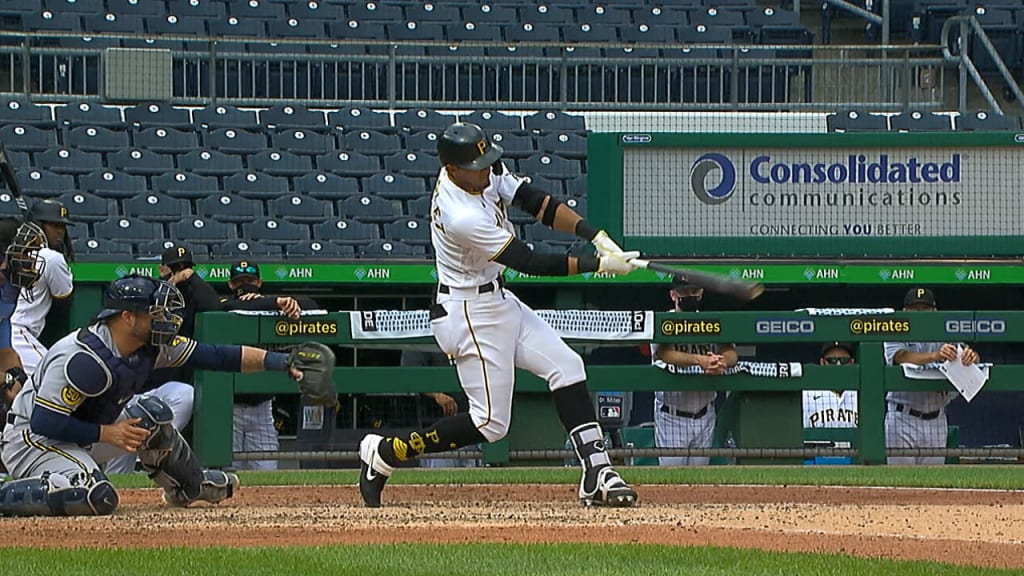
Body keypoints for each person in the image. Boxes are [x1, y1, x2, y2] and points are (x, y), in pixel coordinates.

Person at [358, 121, 640, 508]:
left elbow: (533, 200)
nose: (487, 171)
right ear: (452, 169)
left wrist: (594, 234)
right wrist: (599, 264)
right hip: (468, 311)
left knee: (568, 366)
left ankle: (598, 471)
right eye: (477, 166)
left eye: (488, 162)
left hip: (497, 299)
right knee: (490, 425)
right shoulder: (460, 214)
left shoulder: (481, 171)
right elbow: (528, 261)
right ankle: (387, 453)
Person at [0, 274, 312, 516]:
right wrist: (107, 433)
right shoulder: (83, 358)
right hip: (31, 442)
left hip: (81, 433)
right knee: (96, 496)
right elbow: (45, 422)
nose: (166, 320)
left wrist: (282, 362)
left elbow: (217, 356)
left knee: (151, 414)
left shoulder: (150, 346)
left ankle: (188, 485)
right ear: (127, 317)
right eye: (155, 313)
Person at [103, 243, 221, 474]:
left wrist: (191, 281)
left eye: (185, 267)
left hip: (159, 393)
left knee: (185, 394)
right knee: (117, 470)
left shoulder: (192, 295)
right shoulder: (149, 298)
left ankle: (151, 449)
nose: (180, 273)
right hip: (125, 398)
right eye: (175, 268)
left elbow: (214, 308)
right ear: (161, 269)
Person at [220, 260, 319, 471]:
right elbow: (231, 306)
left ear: (260, 282)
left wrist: (275, 302)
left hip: (262, 408)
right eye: (239, 281)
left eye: (250, 280)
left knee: (266, 472)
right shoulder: (224, 305)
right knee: (225, 473)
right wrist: (274, 302)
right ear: (230, 284)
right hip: (228, 408)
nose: (245, 285)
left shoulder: (272, 309)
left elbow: (312, 305)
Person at [884, 287, 979, 465]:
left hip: (936, 419)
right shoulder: (895, 329)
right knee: (900, 484)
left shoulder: (946, 331)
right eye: (915, 309)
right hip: (902, 417)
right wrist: (935, 356)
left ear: (934, 310)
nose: (920, 313)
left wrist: (971, 356)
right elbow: (899, 357)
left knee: (932, 483)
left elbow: (967, 355)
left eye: (924, 309)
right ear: (905, 311)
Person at [650, 276, 738, 466]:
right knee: (672, 480)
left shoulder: (710, 321)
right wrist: (699, 360)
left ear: (701, 293)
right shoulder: (663, 321)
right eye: (684, 292)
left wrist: (720, 361)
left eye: (694, 291)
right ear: (673, 295)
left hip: (705, 414)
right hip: (672, 416)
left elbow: (731, 352)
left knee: (698, 480)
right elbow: (664, 353)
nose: (690, 295)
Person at [11, 199, 75, 379]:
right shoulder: (52, 259)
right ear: (38, 225)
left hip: (11, 331)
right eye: (54, 225)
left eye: (62, 226)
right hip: (17, 331)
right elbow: (63, 303)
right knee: (53, 378)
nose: (60, 232)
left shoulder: (10, 250)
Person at [400, 348, 477, 468]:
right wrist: (436, 394)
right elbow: (411, 376)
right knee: (442, 476)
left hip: (470, 425)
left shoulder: (464, 338)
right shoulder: (421, 337)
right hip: (435, 431)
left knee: (474, 481)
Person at [803, 342, 859, 429]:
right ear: (822, 362)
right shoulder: (807, 396)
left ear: (852, 362)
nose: (838, 365)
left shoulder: (861, 396)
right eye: (832, 361)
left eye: (844, 360)